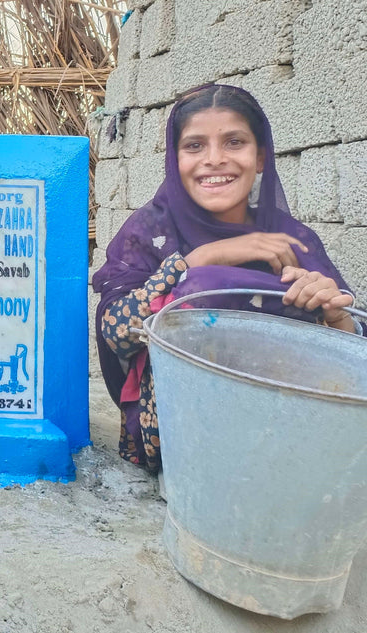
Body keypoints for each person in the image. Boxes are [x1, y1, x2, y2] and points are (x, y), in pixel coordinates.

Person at [93, 84, 358, 474]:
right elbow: (114, 331)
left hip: (286, 432)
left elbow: (351, 361)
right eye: (195, 146)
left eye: (234, 142)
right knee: (204, 287)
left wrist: (335, 319)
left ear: (261, 157)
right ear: (175, 158)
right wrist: (200, 261)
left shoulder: (291, 240)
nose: (214, 160)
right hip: (178, 433)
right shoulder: (151, 230)